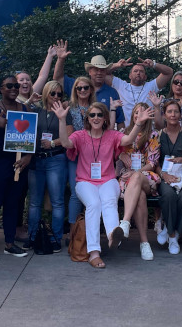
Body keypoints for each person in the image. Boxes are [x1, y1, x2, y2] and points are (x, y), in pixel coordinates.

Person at [53, 99, 149, 268]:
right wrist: (62, 120)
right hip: (84, 182)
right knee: (94, 204)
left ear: (105, 118)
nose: (96, 118)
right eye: (92, 115)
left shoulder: (111, 135)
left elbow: (127, 140)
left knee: (109, 202)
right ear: (87, 118)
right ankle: (94, 253)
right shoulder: (80, 135)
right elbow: (66, 143)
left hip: (107, 180)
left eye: (99, 115)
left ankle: (113, 235)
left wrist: (139, 124)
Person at [0, 75, 34, 262]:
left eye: (16, 85)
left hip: (19, 163)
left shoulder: (25, 109)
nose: (13, 88)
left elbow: (31, 138)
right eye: (9, 85)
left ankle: (10, 243)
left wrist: (28, 156)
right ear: (1, 89)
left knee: (13, 203)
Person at [116, 101, 161, 260]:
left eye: (142, 113)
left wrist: (137, 172)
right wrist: (121, 154)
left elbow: (153, 163)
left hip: (146, 176)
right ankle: (144, 243)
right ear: (132, 115)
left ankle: (125, 222)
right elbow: (112, 149)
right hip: (127, 178)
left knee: (136, 179)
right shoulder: (123, 132)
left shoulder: (153, 134)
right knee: (140, 196)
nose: (139, 115)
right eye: (136, 112)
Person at [27, 80, 69, 249]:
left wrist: (53, 143)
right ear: (46, 94)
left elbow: (70, 136)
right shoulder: (35, 111)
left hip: (55, 159)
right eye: (53, 93)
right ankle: (33, 236)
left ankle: (56, 238)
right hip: (36, 160)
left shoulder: (65, 112)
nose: (56, 96)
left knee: (57, 201)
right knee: (34, 202)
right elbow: (17, 115)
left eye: (60, 94)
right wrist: (29, 101)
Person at [154, 100, 182, 254]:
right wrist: (163, 174)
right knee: (168, 195)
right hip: (165, 174)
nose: (173, 114)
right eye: (169, 112)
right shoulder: (159, 135)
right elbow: (154, 162)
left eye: (176, 111)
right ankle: (173, 235)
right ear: (164, 115)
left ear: (180, 114)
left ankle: (170, 230)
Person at [52, 46, 126, 128]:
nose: (99, 73)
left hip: (102, 138)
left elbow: (120, 121)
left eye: (102, 70)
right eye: (96, 69)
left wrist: (122, 138)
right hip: (74, 138)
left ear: (106, 72)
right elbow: (58, 78)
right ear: (90, 71)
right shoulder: (78, 85)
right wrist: (60, 59)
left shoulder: (112, 92)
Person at [63, 74, 98, 227]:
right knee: (76, 192)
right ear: (75, 90)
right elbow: (69, 134)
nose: (83, 90)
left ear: (91, 90)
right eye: (79, 88)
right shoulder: (68, 107)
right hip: (75, 155)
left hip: (94, 156)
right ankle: (74, 231)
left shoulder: (97, 108)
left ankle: (91, 229)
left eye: (86, 87)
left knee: (94, 192)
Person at [107, 57, 173, 122]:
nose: (138, 73)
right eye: (135, 71)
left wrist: (154, 65)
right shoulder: (121, 85)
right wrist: (117, 65)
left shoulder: (151, 86)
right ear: (130, 76)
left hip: (147, 131)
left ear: (145, 77)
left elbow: (169, 72)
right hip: (126, 131)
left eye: (141, 71)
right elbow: (103, 73)